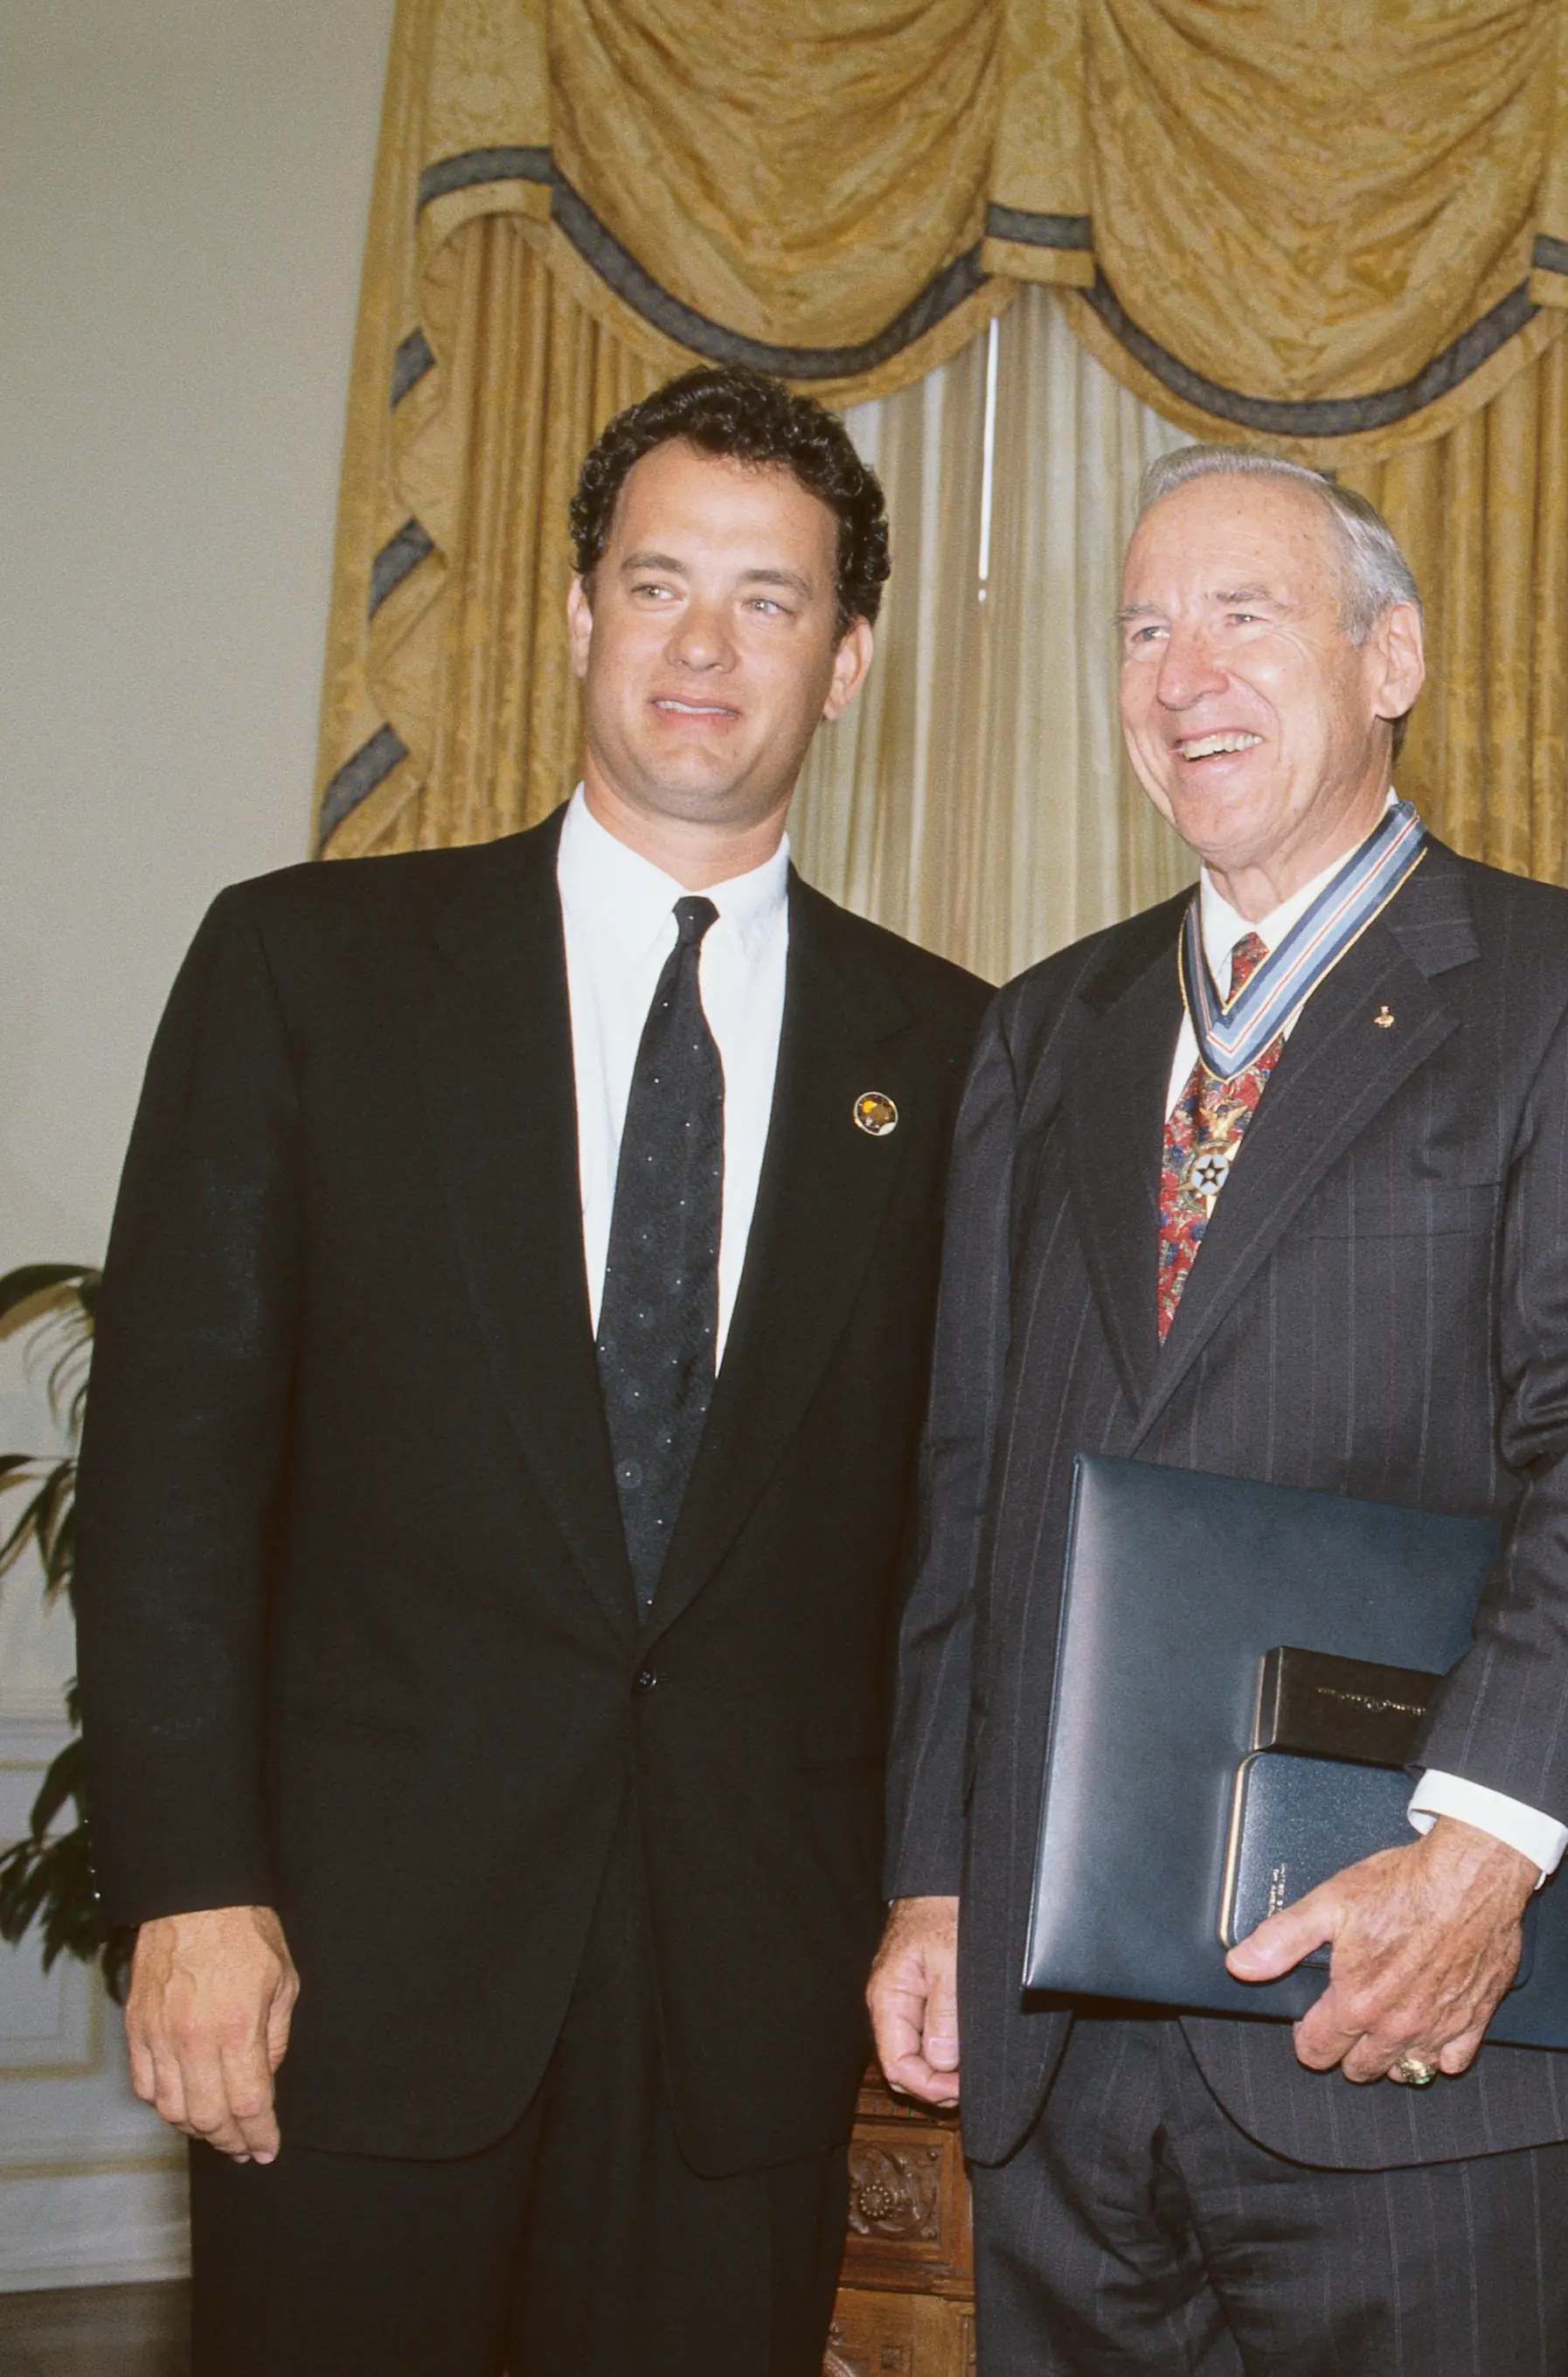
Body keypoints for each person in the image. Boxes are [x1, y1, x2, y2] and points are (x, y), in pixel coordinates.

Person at [73, 366, 992, 2373]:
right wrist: (190, 1888)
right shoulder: (306, 973)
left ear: (848, 663)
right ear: (579, 616)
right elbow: (167, 1478)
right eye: (658, 583)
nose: (702, 645)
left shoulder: (953, 1059)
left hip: (740, 2021)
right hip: (342, 1989)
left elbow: (962, 1536)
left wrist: (939, 1888)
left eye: (767, 599)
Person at [868, 446, 1568, 2375]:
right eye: (1143, 630)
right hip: (1059, 2048)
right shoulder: (1041, 1031)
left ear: (1391, 659)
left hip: (1404, 2021)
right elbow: (972, 1486)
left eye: (1245, 616)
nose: (1184, 676)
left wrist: (1479, 1861)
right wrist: (933, 1873)